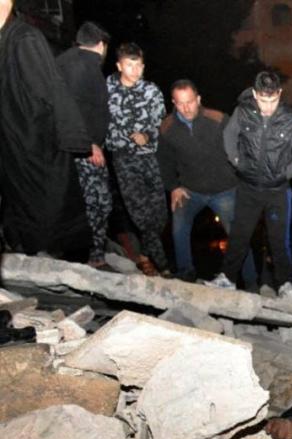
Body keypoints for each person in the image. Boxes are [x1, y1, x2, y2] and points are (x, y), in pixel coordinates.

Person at [0, 0, 91, 256]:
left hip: (38, 144)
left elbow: (52, 91)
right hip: (11, 147)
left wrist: (73, 136)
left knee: (51, 208)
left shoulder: (25, 39)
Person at [208, 71, 292, 294]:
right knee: (239, 235)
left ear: (279, 94)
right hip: (248, 188)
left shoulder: (291, 119)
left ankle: (285, 284)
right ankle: (227, 278)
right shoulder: (243, 112)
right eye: (263, 100)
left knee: (278, 240)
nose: (268, 107)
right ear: (255, 94)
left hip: (277, 192)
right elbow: (228, 136)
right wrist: (236, 161)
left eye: (273, 100)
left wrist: (284, 174)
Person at [157, 79, 243, 282]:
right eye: (180, 103)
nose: (186, 108)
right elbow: (164, 161)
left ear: (198, 99)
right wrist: (173, 187)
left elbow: (240, 148)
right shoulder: (167, 127)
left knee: (238, 235)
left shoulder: (219, 119)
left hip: (225, 189)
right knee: (178, 225)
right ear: (173, 103)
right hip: (191, 190)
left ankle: (249, 281)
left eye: (190, 101)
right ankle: (186, 274)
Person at [105, 42, 169, 275]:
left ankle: (145, 254)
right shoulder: (107, 90)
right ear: (119, 65)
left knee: (159, 215)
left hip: (149, 157)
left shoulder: (151, 91)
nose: (135, 71)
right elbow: (97, 116)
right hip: (123, 159)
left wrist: (148, 134)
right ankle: (162, 267)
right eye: (129, 65)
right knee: (140, 214)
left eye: (138, 66)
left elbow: (159, 120)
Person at [55, 21, 112, 267]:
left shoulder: (64, 61)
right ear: (100, 45)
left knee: (85, 202)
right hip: (83, 150)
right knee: (98, 203)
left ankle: (86, 253)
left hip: (71, 148)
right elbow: (72, 109)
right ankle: (93, 256)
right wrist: (90, 144)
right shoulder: (85, 66)